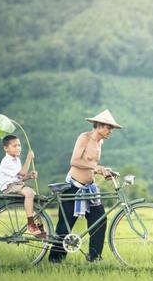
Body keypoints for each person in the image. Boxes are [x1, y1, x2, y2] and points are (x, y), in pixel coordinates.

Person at [49, 109, 122, 263]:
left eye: (112, 129)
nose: (111, 131)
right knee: (65, 226)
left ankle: (95, 258)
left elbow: (92, 164)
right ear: (100, 126)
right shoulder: (85, 138)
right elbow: (74, 161)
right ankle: (55, 261)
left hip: (90, 188)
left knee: (99, 220)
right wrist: (96, 168)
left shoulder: (100, 142)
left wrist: (104, 171)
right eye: (109, 128)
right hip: (73, 186)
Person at [0, 135, 44, 237]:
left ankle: (39, 225)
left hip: (16, 184)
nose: (18, 148)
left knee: (38, 198)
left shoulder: (16, 159)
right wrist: (29, 158)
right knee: (29, 192)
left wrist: (29, 176)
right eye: (14, 146)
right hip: (9, 187)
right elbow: (22, 173)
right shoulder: (7, 161)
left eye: (19, 145)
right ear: (6, 148)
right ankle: (31, 224)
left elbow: (20, 177)